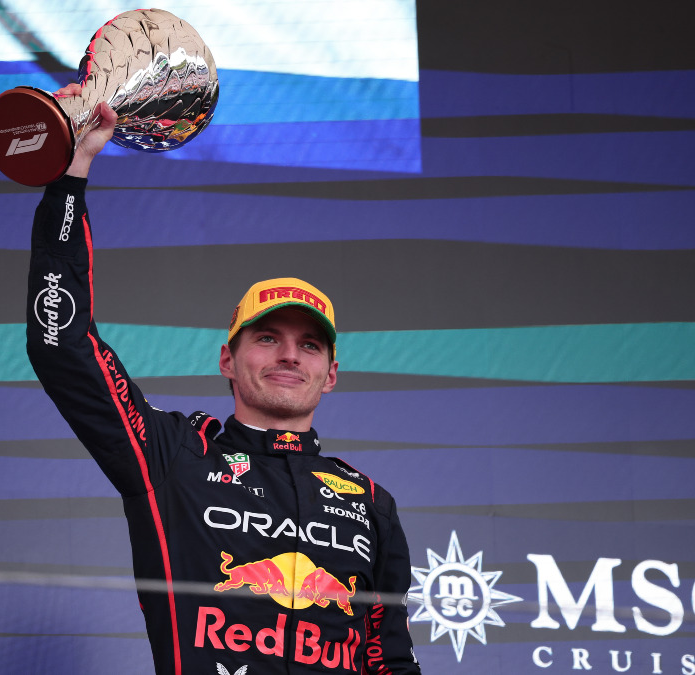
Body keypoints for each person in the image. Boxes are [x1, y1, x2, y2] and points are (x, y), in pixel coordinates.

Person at [25, 84, 420, 674]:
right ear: (226, 360)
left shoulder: (370, 504)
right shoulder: (174, 453)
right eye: (267, 338)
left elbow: (389, 658)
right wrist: (71, 177)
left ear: (330, 374)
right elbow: (63, 343)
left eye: (308, 345)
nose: (290, 356)